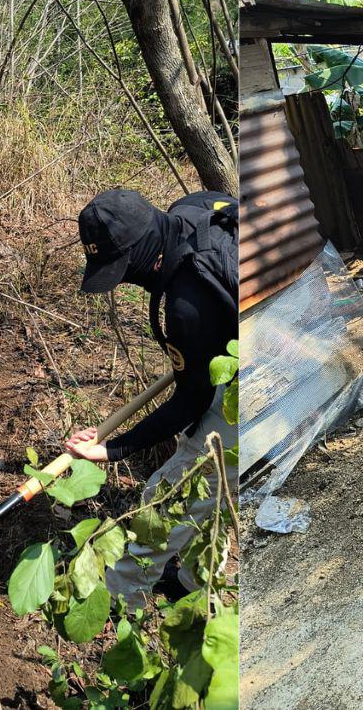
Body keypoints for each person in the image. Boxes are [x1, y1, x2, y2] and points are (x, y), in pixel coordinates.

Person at [62, 189, 237, 606]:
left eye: (124, 269)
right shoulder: (194, 209)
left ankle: (124, 607)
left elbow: (191, 402)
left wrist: (113, 448)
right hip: (259, 351)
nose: (124, 281)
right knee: (213, 484)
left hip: (267, 378)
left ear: (147, 254)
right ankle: (199, 583)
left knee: (167, 496)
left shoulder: (187, 306)